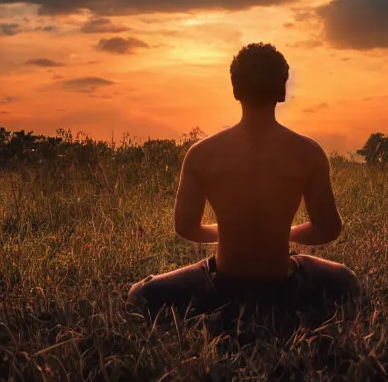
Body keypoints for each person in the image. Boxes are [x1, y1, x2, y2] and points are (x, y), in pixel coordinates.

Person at [128, 43, 359, 314]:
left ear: (235, 91)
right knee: (347, 281)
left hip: (223, 284)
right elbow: (328, 228)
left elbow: (186, 227)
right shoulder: (308, 152)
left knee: (140, 293)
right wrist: (280, 233)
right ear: (282, 91)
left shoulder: (203, 153)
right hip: (282, 284)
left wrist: (231, 232)